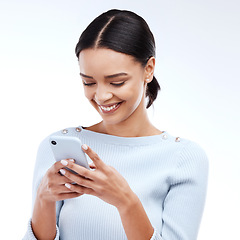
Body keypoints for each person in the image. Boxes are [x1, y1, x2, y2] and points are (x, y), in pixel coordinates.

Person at [23, 9, 208, 240]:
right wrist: (44, 198)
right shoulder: (59, 147)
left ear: (148, 69)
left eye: (117, 82)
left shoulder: (184, 158)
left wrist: (125, 201)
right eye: (88, 82)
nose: (101, 96)